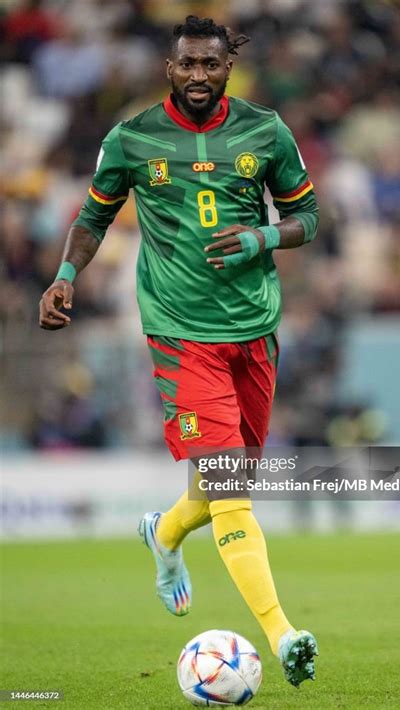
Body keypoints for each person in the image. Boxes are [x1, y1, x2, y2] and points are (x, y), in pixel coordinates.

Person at [39, 15, 319, 687]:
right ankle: (282, 636)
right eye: (187, 64)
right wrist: (65, 276)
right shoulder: (132, 139)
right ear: (170, 67)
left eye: (211, 65)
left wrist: (261, 240)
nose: (199, 75)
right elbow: (94, 215)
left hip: (253, 332)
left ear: (229, 69)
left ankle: (163, 535)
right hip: (180, 337)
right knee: (230, 495)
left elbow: (310, 217)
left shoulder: (266, 131)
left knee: (220, 490)